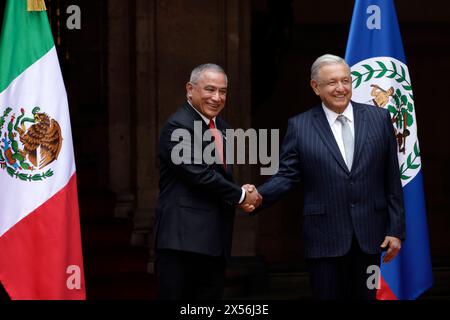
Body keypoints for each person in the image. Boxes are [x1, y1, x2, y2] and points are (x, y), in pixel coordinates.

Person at [250, 54, 405, 300]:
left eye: (346, 81)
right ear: (315, 87)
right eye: (332, 82)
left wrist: (395, 230)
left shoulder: (379, 119)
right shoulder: (300, 126)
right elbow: (287, 175)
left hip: (371, 238)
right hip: (324, 240)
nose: (341, 88)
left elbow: (391, 178)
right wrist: (258, 196)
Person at [154, 63, 262, 300]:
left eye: (222, 91)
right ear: (190, 89)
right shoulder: (178, 125)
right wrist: (242, 196)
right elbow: (199, 174)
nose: (217, 97)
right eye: (210, 89)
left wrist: (239, 189)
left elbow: (218, 176)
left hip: (213, 243)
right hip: (182, 243)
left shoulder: (222, 128)